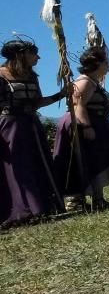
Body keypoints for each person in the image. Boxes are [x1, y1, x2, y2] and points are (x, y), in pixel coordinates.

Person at [1, 38, 67, 226]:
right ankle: (20, 212)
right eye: (33, 53)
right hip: (10, 127)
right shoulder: (1, 75)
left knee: (38, 164)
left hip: (31, 125)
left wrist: (61, 94)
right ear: (20, 55)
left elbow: (37, 102)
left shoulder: (32, 76)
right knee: (17, 169)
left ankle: (41, 208)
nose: (38, 57)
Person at [52, 46, 109, 211]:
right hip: (81, 125)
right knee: (84, 160)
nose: (108, 65)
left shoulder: (93, 82)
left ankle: (98, 198)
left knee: (95, 160)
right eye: (105, 62)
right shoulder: (84, 82)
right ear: (98, 64)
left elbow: (93, 104)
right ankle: (77, 200)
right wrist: (86, 127)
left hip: (91, 123)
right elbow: (78, 106)